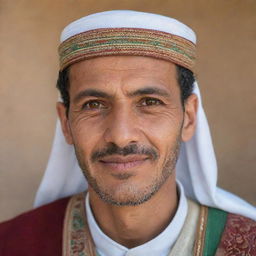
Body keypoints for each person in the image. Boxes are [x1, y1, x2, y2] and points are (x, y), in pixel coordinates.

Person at [0, 10, 255, 256]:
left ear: (189, 118)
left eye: (150, 102)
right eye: (94, 105)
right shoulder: (12, 245)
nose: (121, 136)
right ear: (66, 123)